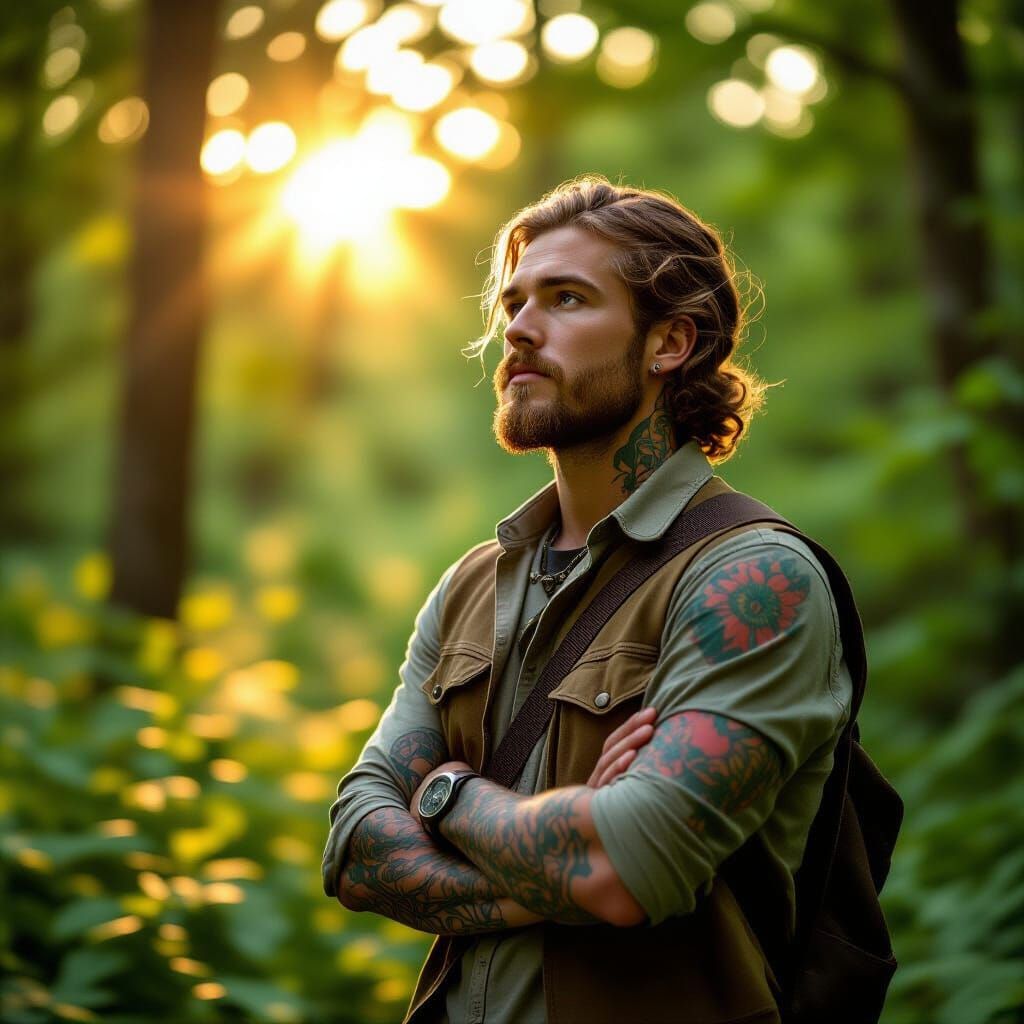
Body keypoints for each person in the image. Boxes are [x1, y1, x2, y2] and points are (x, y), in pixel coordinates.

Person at [321, 176, 852, 1024]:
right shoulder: (471, 586)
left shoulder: (752, 579)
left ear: (669, 343)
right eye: (514, 302)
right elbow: (352, 851)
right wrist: (561, 860)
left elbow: (623, 869)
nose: (520, 329)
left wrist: (445, 799)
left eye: (567, 299)